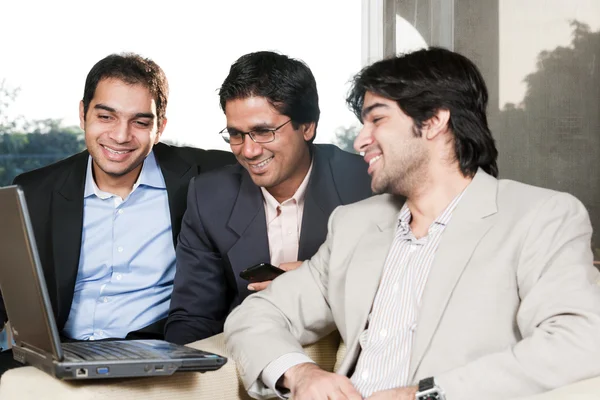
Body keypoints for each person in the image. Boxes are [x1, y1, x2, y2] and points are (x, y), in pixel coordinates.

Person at [224, 47, 600, 400]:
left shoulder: (540, 217)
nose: (360, 140)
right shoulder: (354, 226)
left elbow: (581, 340)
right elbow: (258, 314)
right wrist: (301, 373)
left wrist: (425, 394)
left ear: (434, 121)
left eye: (378, 119)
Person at [0, 52, 235, 371]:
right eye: (106, 117)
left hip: (154, 351)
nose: (121, 136)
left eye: (140, 122)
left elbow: (291, 163)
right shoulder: (34, 191)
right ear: (83, 114)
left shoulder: (205, 176)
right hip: (58, 354)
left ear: (160, 127)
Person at [165, 51, 372, 345]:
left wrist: (319, 279)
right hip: (246, 353)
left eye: (263, 132)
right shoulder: (209, 198)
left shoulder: (366, 186)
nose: (248, 151)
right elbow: (193, 318)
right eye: (236, 134)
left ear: (308, 126)